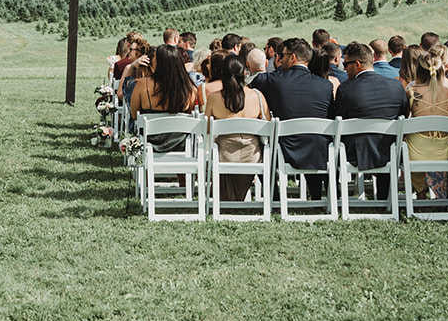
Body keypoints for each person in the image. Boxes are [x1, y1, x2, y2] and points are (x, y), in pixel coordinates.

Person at [253, 37, 333, 190]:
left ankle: (275, 197)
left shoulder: (272, 80)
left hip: (284, 149)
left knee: (258, 148)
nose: (280, 60)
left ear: (293, 57)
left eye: (282, 56)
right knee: (313, 138)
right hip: (318, 150)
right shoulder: (325, 85)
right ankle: (316, 196)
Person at [331, 43, 410, 195]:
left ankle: (338, 195)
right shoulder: (395, 86)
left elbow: (339, 120)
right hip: (390, 151)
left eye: (346, 64)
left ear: (358, 64)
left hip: (355, 153)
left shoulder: (346, 89)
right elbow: (402, 115)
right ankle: (384, 197)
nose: (344, 68)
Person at [204, 54, 270, 202]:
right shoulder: (257, 96)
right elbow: (268, 126)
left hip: (224, 155)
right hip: (253, 156)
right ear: (244, 72)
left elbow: (207, 128)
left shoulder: (214, 98)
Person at [401, 46, 448, 199]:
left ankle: (420, 192)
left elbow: (404, 121)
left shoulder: (412, 91)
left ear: (418, 70)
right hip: (443, 152)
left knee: (405, 142)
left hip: (414, 153)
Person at [129, 44, 202, 153]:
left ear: (158, 62)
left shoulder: (142, 85)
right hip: (180, 145)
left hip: (150, 142)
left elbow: (135, 115)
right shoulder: (190, 90)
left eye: (154, 57)